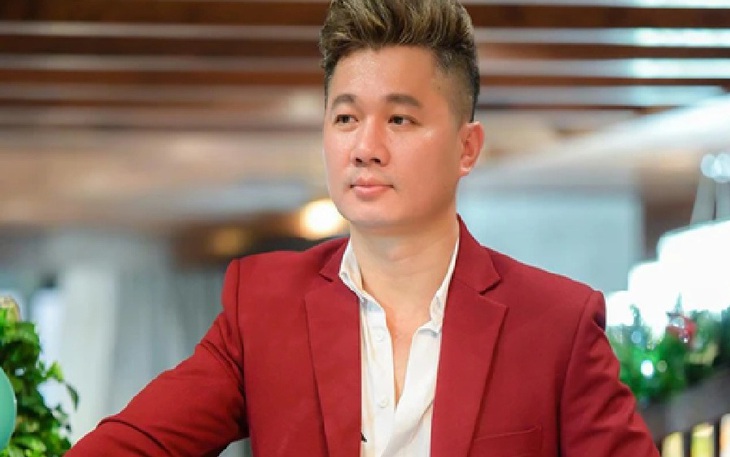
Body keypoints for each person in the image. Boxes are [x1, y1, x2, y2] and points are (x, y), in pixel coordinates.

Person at [67, 0, 660, 456]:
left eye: (400, 119)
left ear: (467, 148)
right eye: (347, 117)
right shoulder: (264, 308)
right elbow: (132, 446)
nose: (365, 147)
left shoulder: (557, 324)